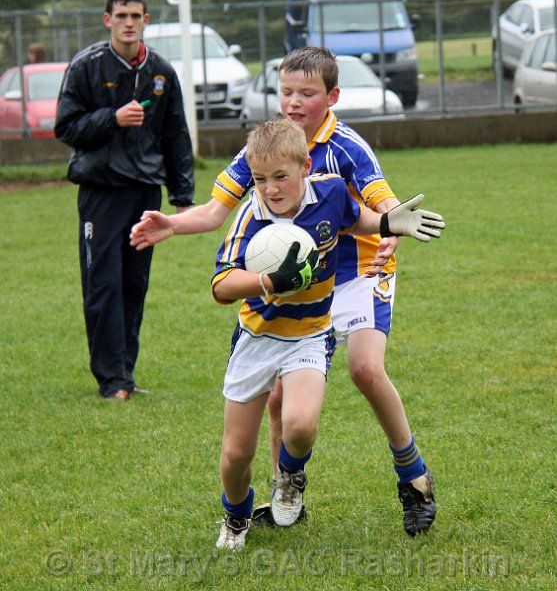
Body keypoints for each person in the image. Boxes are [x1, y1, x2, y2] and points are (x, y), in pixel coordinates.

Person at [130, 47, 438, 536]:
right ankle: (286, 490)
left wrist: (391, 233)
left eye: (306, 93)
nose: (293, 102)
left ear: (332, 97)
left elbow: (385, 206)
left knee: (364, 369)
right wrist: (173, 223)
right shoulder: (268, 148)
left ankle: (414, 478)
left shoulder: (347, 147)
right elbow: (214, 212)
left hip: (358, 267)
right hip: (297, 277)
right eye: (286, 91)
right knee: (279, 397)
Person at [210, 118, 443, 549]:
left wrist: (388, 224)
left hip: (310, 335)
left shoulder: (331, 192)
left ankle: (290, 475)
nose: (270, 189)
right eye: (260, 179)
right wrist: (267, 281)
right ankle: (236, 514)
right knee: (236, 454)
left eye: (280, 177)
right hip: (257, 338)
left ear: (305, 168)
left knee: (300, 424)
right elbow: (221, 285)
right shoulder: (251, 216)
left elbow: (356, 219)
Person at [55, 0, 194, 400]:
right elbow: (66, 127)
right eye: (121, 16)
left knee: (135, 283)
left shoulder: (161, 72)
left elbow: (175, 135)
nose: (129, 23)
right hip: (101, 192)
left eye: (136, 16)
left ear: (146, 20)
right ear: (107, 20)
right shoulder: (86, 67)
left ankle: (125, 375)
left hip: (145, 192)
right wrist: (111, 118)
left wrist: (181, 194)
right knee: (104, 284)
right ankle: (110, 379)